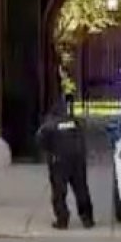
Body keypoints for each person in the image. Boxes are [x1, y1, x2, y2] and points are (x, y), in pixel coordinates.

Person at [36, 98, 94, 229]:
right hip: (77, 160)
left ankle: (62, 220)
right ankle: (87, 219)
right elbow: (82, 137)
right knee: (81, 189)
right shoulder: (75, 122)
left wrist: (50, 152)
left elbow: (40, 140)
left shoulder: (50, 125)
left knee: (59, 192)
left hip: (59, 161)